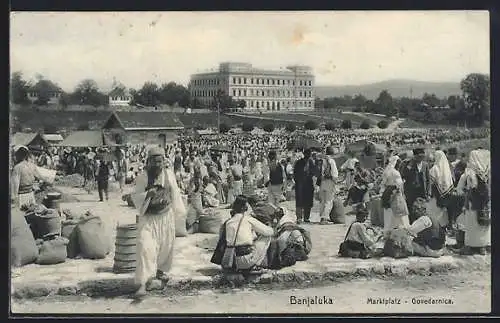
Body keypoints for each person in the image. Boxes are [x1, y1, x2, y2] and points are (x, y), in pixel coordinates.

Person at [133, 146, 186, 297]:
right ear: (148, 162)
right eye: (154, 162)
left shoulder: (169, 175)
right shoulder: (142, 177)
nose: (157, 165)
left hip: (166, 217)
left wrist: (180, 214)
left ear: (164, 162)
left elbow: (175, 194)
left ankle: (159, 272)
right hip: (149, 218)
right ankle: (142, 283)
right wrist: (146, 194)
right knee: (145, 247)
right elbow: (136, 197)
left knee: (165, 247)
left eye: (159, 161)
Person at [211, 195, 274, 275]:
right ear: (245, 207)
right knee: (266, 237)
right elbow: (269, 232)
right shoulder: (248, 219)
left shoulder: (228, 222)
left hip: (232, 261)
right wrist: (269, 226)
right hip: (246, 260)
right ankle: (255, 265)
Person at [455, 149, 490, 255]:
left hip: (472, 202)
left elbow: (461, 188)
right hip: (485, 203)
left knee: (472, 224)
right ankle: (482, 247)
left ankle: (469, 247)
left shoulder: (470, 171)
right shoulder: (489, 172)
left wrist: (463, 192)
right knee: (483, 223)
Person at [10, 145, 57, 210]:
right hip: (30, 194)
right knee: (30, 212)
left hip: (22, 196)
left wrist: (13, 198)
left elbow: (15, 185)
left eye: (16, 155)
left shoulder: (17, 168)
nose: (15, 157)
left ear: (19, 155)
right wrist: (49, 182)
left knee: (22, 214)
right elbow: (41, 177)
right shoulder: (32, 166)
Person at [379, 155, 410, 238]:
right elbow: (399, 185)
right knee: (400, 216)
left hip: (388, 195)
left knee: (389, 217)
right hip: (395, 195)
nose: (399, 165)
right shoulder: (395, 173)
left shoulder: (387, 171)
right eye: (398, 163)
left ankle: (388, 234)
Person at [401, 148, 430, 224]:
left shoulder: (425, 165)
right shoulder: (407, 163)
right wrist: (410, 165)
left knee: (421, 209)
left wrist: (429, 193)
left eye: (422, 157)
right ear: (415, 156)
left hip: (422, 191)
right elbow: (404, 175)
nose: (421, 159)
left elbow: (428, 180)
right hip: (411, 191)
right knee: (410, 209)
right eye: (419, 157)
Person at [428, 150, 454, 229]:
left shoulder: (434, 169)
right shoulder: (447, 169)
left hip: (436, 196)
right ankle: (446, 229)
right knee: (444, 215)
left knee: (436, 215)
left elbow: (431, 184)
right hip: (447, 195)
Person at [293, 149, 317, 223]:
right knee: (299, 201)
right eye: (307, 153)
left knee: (308, 201)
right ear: (304, 154)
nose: (308, 155)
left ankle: (306, 217)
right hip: (300, 184)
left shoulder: (311, 162)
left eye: (309, 154)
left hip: (308, 184)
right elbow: (295, 173)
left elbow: (315, 172)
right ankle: (299, 217)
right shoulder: (299, 162)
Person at [318, 146, 339, 225]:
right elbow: (334, 174)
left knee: (322, 200)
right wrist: (335, 182)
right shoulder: (331, 161)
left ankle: (322, 217)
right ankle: (325, 218)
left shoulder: (322, 160)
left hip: (322, 182)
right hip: (329, 182)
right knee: (328, 201)